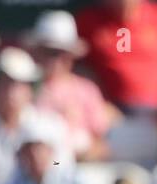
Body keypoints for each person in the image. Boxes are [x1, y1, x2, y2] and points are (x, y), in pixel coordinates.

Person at [0, 47, 70, 184]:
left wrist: (46, 164)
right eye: (6, 83)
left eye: (19, 84)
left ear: (31, 89)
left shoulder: (51, 127)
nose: (11, 91)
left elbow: (61, 164)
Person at [28, 9, 115, 161]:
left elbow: (103, 145)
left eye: (63, 53)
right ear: (37, 52)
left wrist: (78, 157)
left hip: (79, 171)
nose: (56, 60)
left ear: (72, 55)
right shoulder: (24, 88)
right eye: (50, 52)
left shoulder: (87, 90)